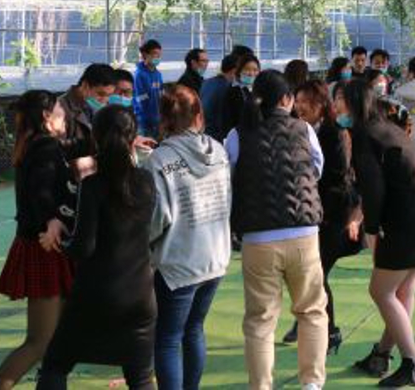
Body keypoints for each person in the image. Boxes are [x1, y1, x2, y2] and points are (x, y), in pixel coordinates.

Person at [36, 105, 157, 389]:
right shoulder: (146, 181)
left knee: (54, 365)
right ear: (134, 137)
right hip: (139, 294)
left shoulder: (93, 185)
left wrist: (58, 242)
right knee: (140, 378)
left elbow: (84, 248)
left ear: (96, 139)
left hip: (95, 294)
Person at [341, 77, 415, 387]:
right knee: (403, 292)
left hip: (406, 223)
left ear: (353, 104)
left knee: (381, 291)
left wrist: (371, 230)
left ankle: (413, 364)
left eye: (339, 101)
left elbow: (374, 190)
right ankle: (382, 355)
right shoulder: (386, 128)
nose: (335, 108)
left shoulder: (365, 135)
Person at [225, 70, 327, 390]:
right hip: (304, 234)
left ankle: (261, 386)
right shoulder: (304, 129)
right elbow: (316, 169)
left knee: (260, 321)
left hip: (258, 240)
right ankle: (311, 383)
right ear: (286, 99)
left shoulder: (236, 135)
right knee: (311, 312)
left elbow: (228, 179)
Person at [0, 90, 78, 390]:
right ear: (46, 117)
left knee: (57, 339)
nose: (64, 116)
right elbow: (40, 192)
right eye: (60, 112)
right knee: (40, 341)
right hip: (45, 247)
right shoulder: (45, 147)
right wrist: (50, 220)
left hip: (44, 245)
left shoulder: (37, 145)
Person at [145, 86, 231, 390]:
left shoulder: (159, 160)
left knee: (168, 339)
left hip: (178, 262)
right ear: (199, 115)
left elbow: (157, 218)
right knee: (194, 329)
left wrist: (145, 246)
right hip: (215, 256)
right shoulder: (219, 151)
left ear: (165, 118)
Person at [282, 80, 360, 353]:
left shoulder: (335, 133)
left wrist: (306, 184)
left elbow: (338, 175)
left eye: (307, 102)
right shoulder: (300, 129)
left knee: (317, 274)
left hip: (332, 214)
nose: (301, 107)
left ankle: (329, 330)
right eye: (298, 101)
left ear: (321, 104)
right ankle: (309, 321)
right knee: (310, 275)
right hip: (313, 212)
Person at [58, 63, 115, 162]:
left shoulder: (106, 106)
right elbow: (58, 148)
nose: (105, 100)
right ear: (85, 85)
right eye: (100, 94)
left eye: (109, 95)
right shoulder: (60, 108)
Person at [220, 54, 260, 140]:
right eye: (247, 69)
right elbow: (228, 121)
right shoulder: (233, 91)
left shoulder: (259, 90)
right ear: (239, 71)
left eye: (255, 70)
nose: (251, 73)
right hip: (239, 138)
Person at [200, 53, 237, 139]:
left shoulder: (206, 82)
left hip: (204, 133)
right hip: (217, 137)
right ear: (234, 71)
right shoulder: (227, 88)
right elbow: (223, 119)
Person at [134, 39, 164, 138]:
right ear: (145, 55)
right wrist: (151, 119)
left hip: (157, 120)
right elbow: (141, 101)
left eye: (160, 54)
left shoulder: (158, 74)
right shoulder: (139, 75)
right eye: (155, 54)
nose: (158, 57)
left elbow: (161, 95)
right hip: (143, 123)